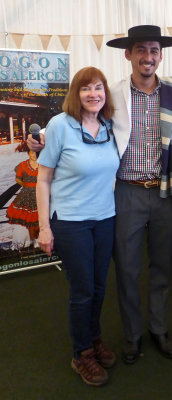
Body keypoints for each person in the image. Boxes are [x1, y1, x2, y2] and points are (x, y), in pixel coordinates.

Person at [105, 25, 172, 363]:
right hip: (126, 192)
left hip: (166, 193)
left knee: (162, 265)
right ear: (128, 54)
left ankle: (158, 327)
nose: (148, 57)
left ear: (160, 55)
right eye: (141, 50)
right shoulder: (111, 95)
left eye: (154, 50)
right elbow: (79, 120)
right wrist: (43, 138)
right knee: (126, 268)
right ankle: (132, 335)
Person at [36, 67, 119, 386]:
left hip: (105, 218)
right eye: (86, 88)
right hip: (70, 221)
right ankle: (81, 352)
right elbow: (43, 179)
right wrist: (44, 227)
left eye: (99, 87)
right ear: (75, 93)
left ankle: (93, 338)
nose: (93, 94)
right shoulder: (60, 126)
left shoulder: (109, 125)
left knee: (99, 287)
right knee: (83, 290)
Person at [6, 141, 39, 243]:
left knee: (41, 219)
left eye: (36, 153)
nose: (33, 155)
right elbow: (18, 179)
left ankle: (40, 240)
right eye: (31, 153)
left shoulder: (43, 165)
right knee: (30, 220)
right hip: (27, 195)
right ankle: (33, 241)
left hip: (41, 194)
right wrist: (26, 186)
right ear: (28, 153)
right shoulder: (23, 165)